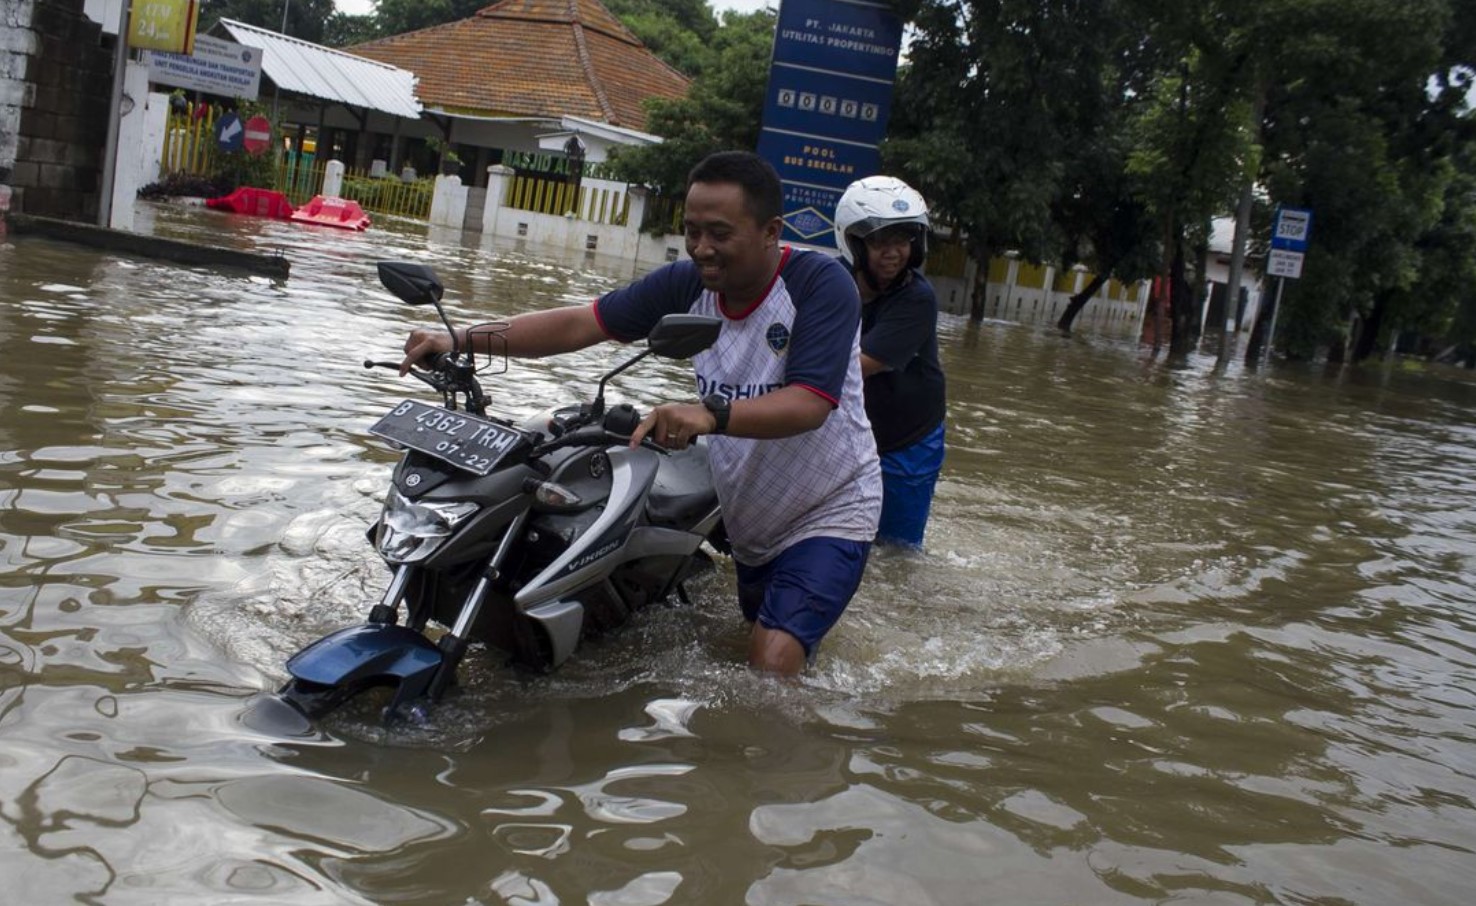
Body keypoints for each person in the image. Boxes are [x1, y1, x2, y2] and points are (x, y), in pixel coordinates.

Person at [401, 151, 881, 676]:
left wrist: (708, 415)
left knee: (770, 662)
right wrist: (460, 338)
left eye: (719, 233)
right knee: (759, 639)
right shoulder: (688, 283)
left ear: (770, 231)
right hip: (751, 510)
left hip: (830, 507)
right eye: (692, 230)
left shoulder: (820, 285)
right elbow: (581, 324)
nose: (702, 248)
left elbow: (809, 404)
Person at [833, 176, 947, 550]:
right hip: (846, 432)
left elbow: (859, 365)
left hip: (907, 438)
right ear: (854, 242)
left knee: (895, 551)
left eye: (902, 240)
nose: (894, 252)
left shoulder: (917, 298)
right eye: (881, 241)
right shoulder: (828, 282)